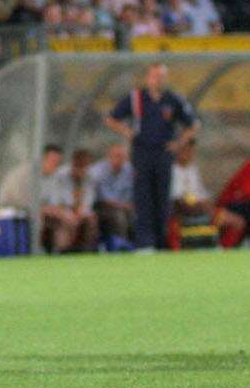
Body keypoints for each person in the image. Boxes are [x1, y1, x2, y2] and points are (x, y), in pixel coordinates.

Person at [106, 63, 197, 251]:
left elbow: (193, 124)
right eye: (154, 76)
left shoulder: (173, 99)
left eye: (161, 76)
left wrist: (179, 142)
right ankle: (145, 242)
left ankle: (162, 242)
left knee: (163, 199)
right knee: (143, 198)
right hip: (142, 152)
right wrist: (127, 132)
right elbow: (111, 118)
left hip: (163, 152)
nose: (158, 80)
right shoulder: (136, 98)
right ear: (147, 78)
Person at [38, 146, 97, 254]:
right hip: (52, 212)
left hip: (70, 212)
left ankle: (86, 252)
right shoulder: (60, 176)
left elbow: (87, 203)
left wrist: (78, 213)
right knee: (65, 221)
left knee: (90, 220)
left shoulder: (89, 178)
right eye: (79, 163)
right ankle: (62, 252)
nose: (82, 168)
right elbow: (53, 204)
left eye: (85, 164)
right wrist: (66, 214)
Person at [89, 141, 136, 249]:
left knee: (137, 217)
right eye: (116, 156)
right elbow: (106, 201)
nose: (120, 159)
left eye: (122, 156)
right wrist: (129, 207)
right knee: (119, 217)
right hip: (102, 208)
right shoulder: (98, 171)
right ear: (108, 156)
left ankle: (139, 246)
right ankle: (121, 247)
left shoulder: (129, 170)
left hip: (126, 207)